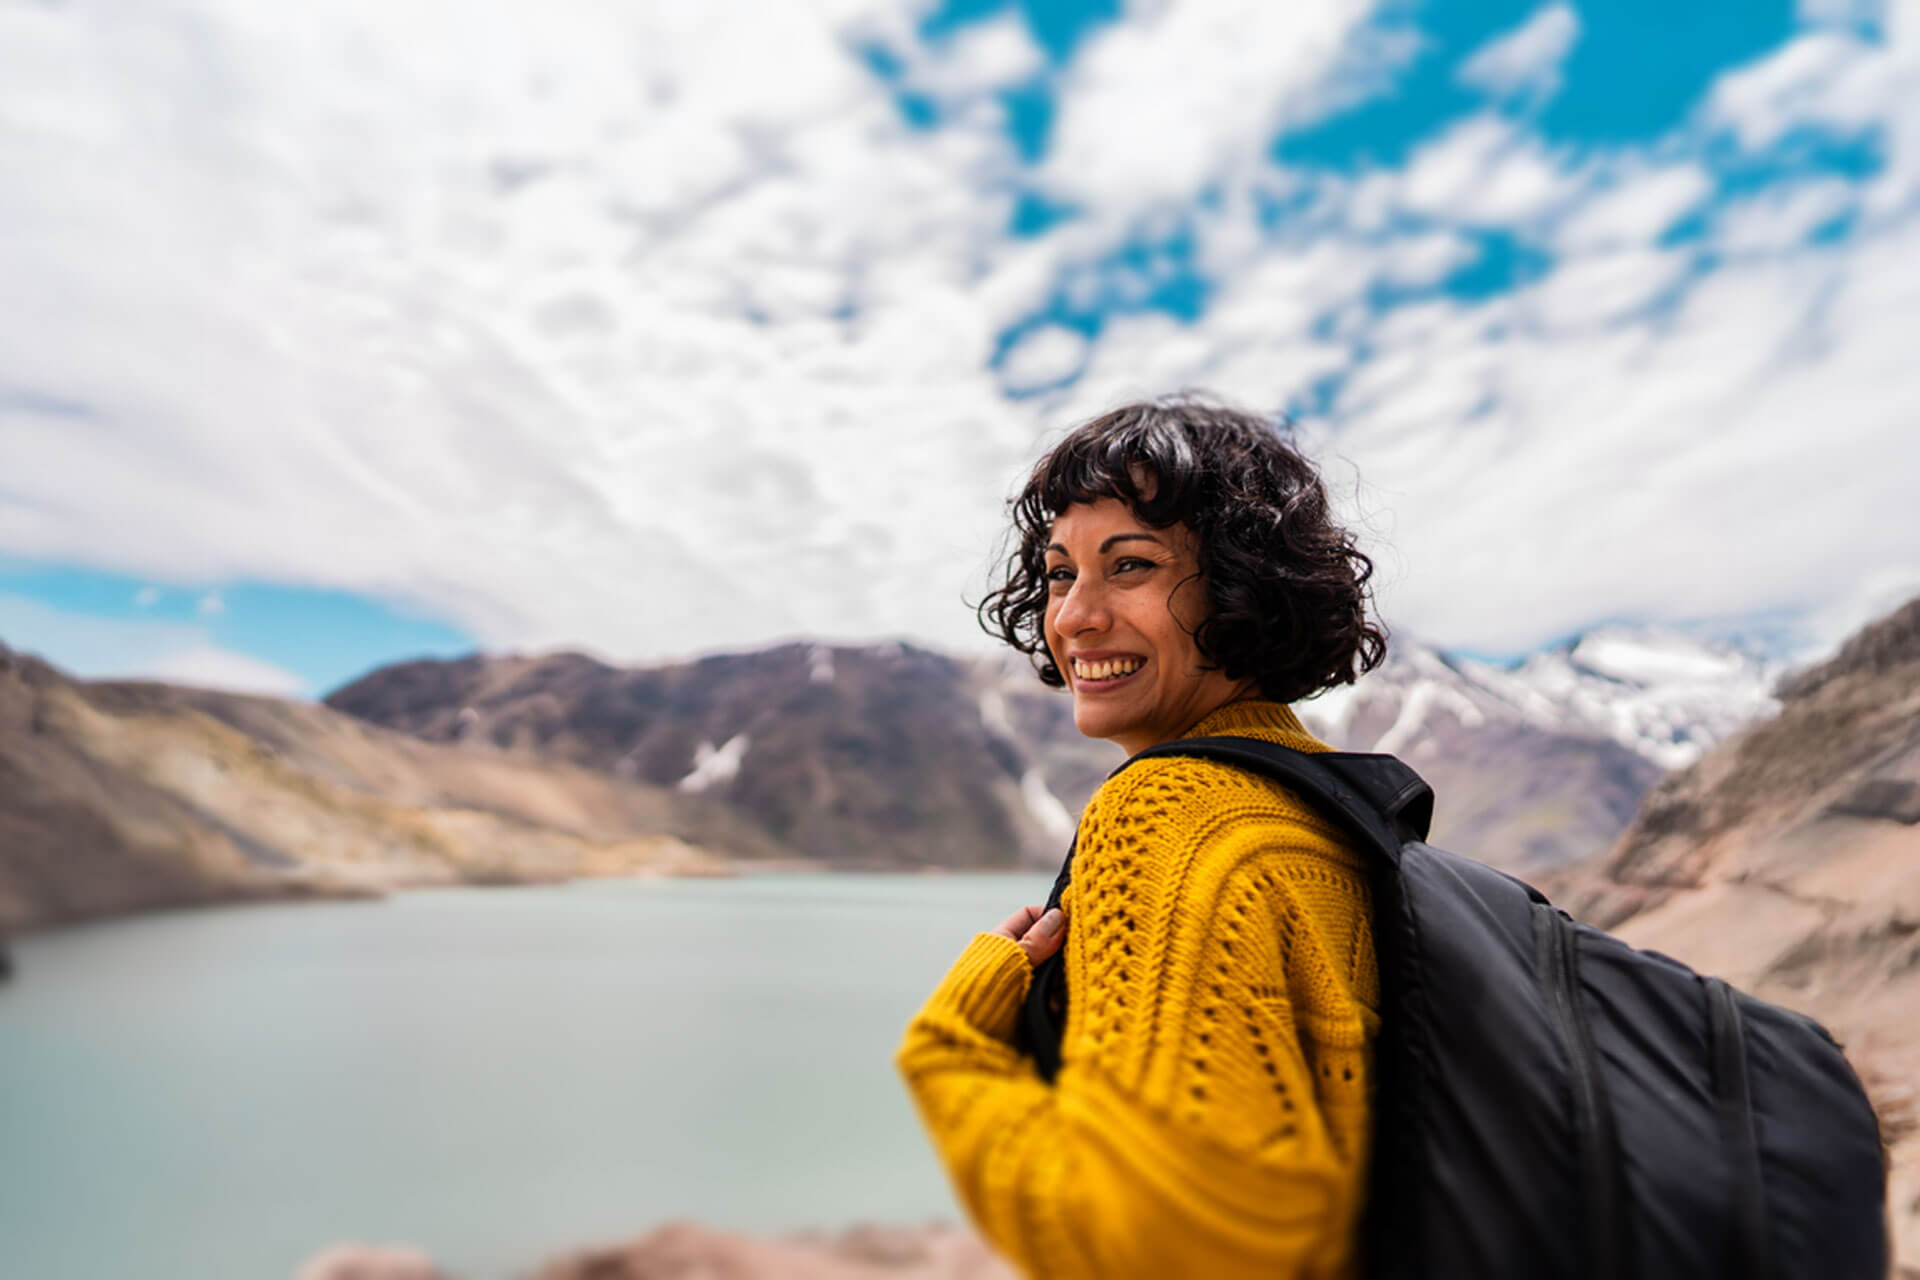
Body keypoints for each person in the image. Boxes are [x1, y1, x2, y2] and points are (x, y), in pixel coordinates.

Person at [895, 397, 1388, 1279]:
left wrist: (950, 1053)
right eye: (1057, 573)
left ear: (1243, 588)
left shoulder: (1169, 809)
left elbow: (1167, 1240)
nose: (1074, 616)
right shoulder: (1325, 808)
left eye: (1129, 566)